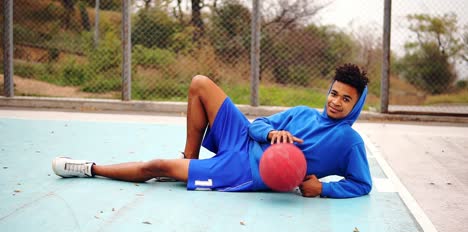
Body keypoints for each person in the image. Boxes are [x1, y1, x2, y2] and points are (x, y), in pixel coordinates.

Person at [52, 63, 372, 198]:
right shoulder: (303, 113)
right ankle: (189, 157)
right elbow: (259, 124)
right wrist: (270, 135)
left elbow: (362, 183)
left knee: (157, 166)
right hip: (244, 139)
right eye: (334, 93)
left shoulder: (348, 142)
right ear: (328, 90)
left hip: (244, 170)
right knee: (200, 83)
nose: (336, 102)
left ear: (355, 105)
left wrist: (324, 190)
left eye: (346, 99)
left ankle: (88, 169)